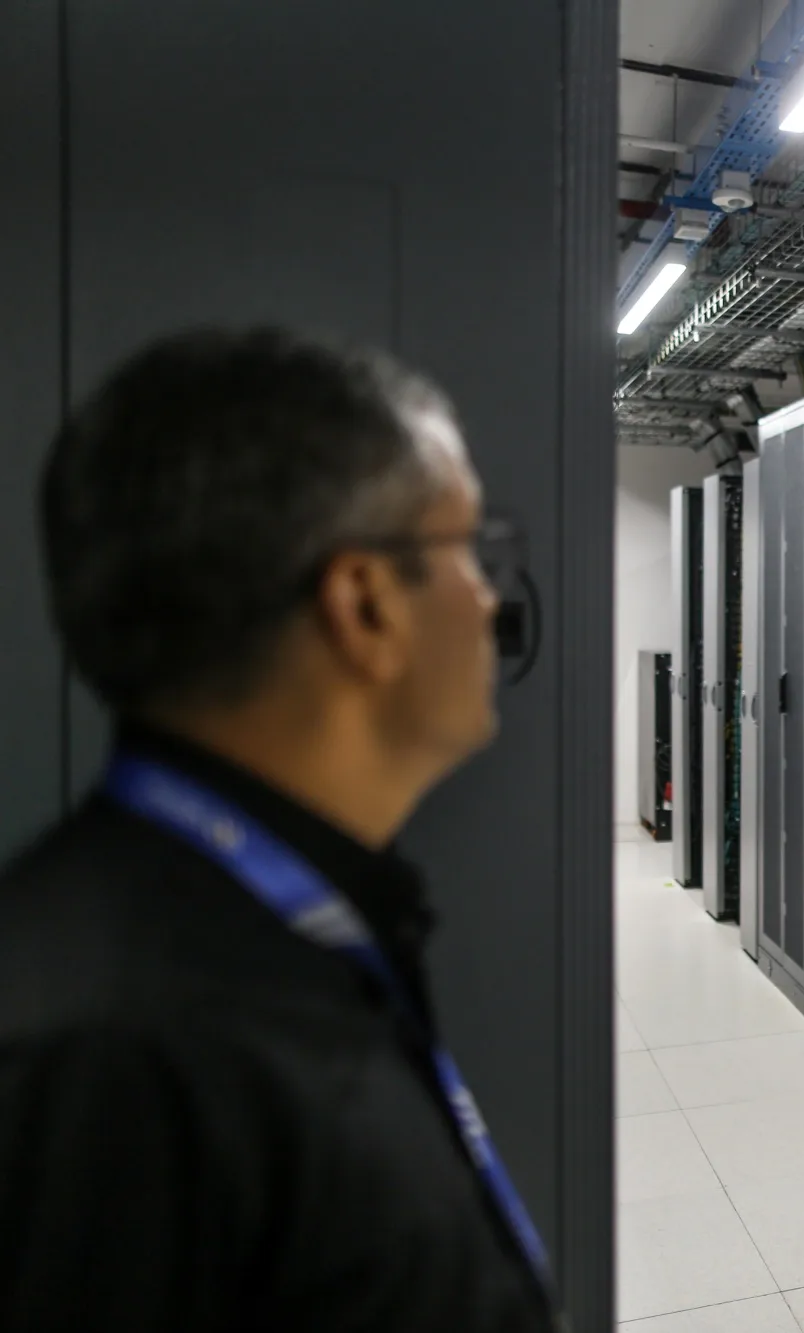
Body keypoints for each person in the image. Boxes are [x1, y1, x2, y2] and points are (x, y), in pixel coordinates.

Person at [0, 329, 559, 1330]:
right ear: (364, 603)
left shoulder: (264, 930)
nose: (490, 599)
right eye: (470, 550)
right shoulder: (101, 1050)